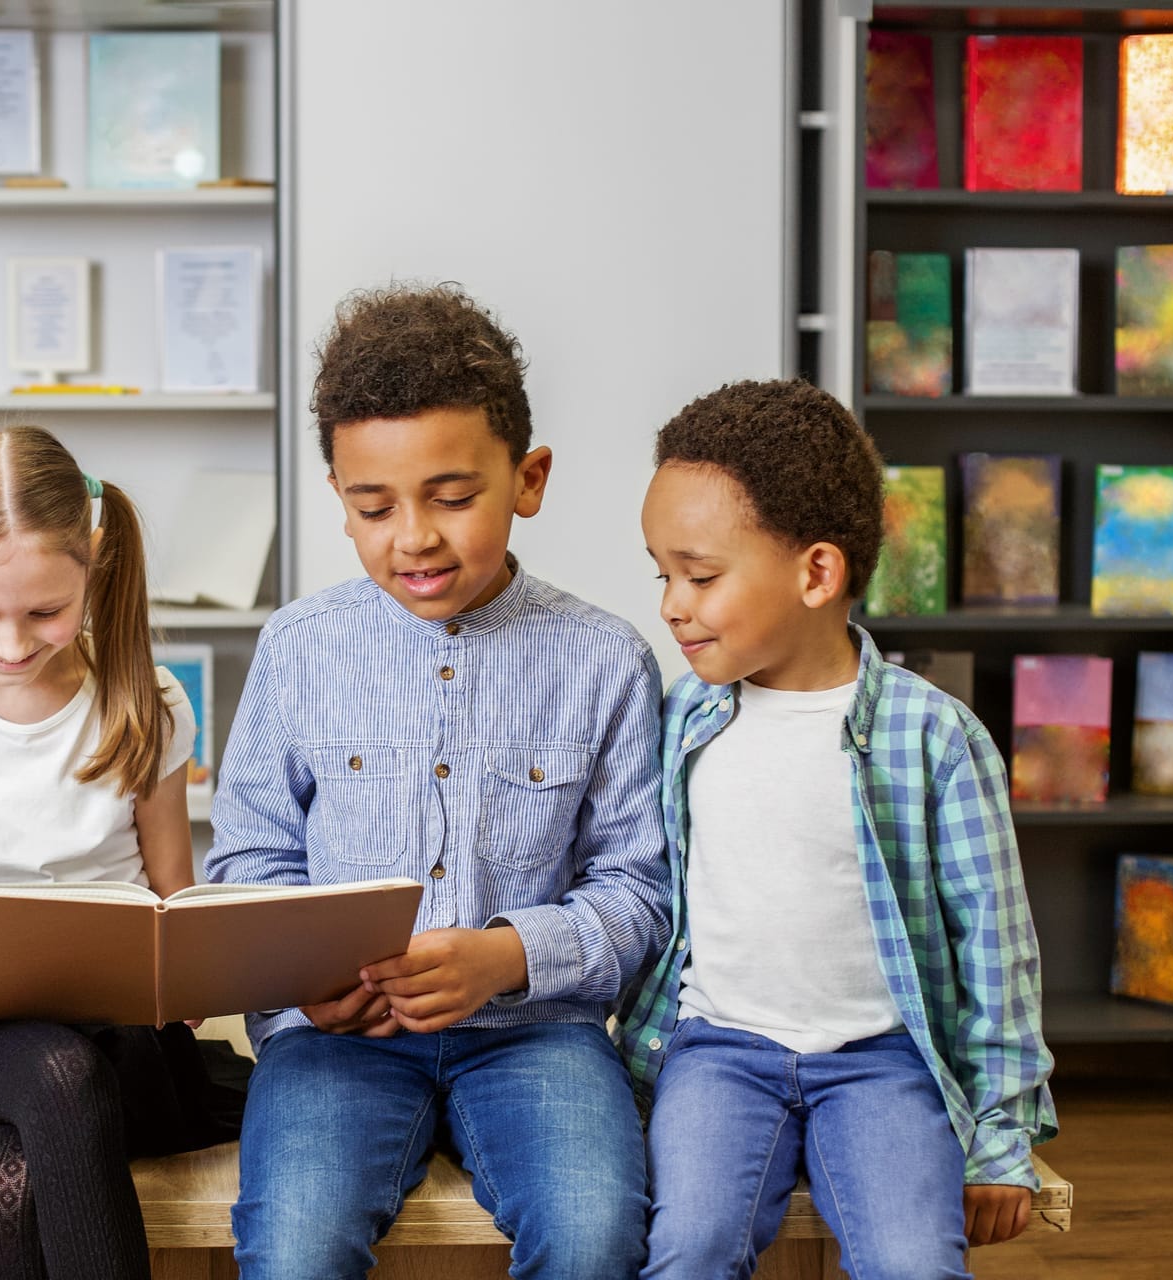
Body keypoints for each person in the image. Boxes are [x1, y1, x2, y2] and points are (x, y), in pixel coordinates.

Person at [205, 283, 671, 1280]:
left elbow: (640, 885)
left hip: (537, 1034)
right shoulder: (296, 648)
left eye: (453, 498)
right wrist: (303, 986)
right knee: (292, 1249)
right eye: (373, 506)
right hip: (338, 1041)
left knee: (595, 1235)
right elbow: (250, 856)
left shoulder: (607, 660)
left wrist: (503, 957)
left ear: (528, 478)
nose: (413, 534)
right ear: (340, 498)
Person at [627, 377, 1056, 1279]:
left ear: (816, 573)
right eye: (663, 574)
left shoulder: (934, 736)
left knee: (916, 1266)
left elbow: (997, 948)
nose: (671, 603)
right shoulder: (681, 721)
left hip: (883, 1064)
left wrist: (1001, 1139)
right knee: (687, 1249)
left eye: (700, 576)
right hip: (717, 1054)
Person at [0, 426, 236, 1280]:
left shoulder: (147, 702)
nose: (15, 644)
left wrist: (198, 973)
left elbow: (175, 894)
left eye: (46, 612)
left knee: (13, 1181)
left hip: (125, 1046)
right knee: (57, 1076)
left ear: (94, 562)